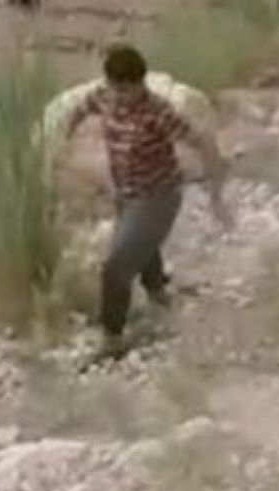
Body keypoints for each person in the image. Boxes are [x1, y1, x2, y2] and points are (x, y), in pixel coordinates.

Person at [61, 45, 231, 367]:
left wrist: (216, 197)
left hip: (158, 196)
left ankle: (112, 338)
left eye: (134, 88)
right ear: (111, 84)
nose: (128, 96)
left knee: (115, 267)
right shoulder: (103, 95)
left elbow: (203, 143)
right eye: (121, 89)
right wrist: (62, 142)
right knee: (139, 242)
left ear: (142, 82)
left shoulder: (157, 111)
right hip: (126, 192)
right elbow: (78, 110)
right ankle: (157, 293)